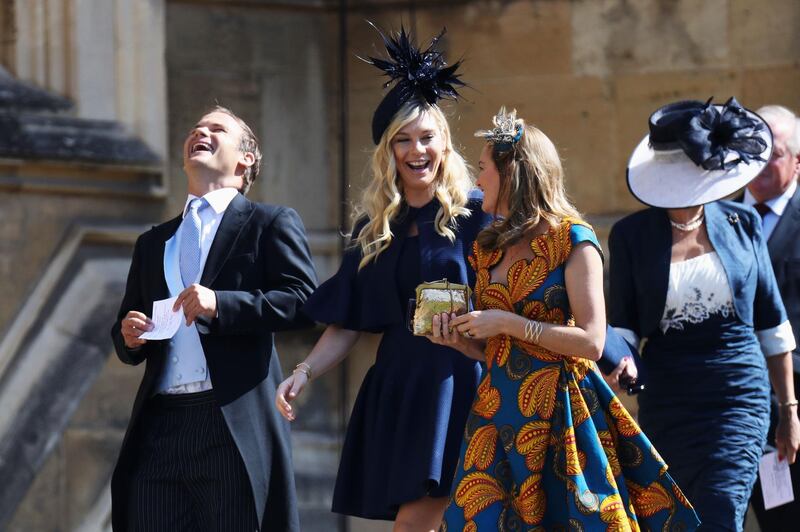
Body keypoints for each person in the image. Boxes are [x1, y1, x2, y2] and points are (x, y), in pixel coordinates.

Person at [432, 108, 699, 530]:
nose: (477, 182)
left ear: (514, 174)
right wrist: (461, 340)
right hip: (496, 414)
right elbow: (493, 349)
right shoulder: (487, 248)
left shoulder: (574, 240)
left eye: (483, 169)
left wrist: (506, 322)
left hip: (563, 415)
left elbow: (593, 342)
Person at [274, 26, 491, 531]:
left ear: (444, 141)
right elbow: (349, 320)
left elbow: (521, 292)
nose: (417, 150)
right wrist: (303, 372)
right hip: (400, 384)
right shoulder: (375, 227)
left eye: (426, 137)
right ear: (388, 151)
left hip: (461, 380)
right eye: (403, 140)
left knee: (418, 523)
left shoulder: (477, 215)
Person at [110, 106, 316, 532]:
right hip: (162, 421)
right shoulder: (153, 242)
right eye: (195, 128)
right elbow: (125, 329)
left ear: (246, 159)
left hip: (228, 419)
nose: (200, 132)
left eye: (216, 128)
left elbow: (303, 301)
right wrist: (130, 336)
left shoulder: (269, 222)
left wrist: (220, 304)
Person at [609, 97, 800, 530]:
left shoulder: (741, 222)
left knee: (719, 511)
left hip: (738, 396)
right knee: (680, 520)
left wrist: (788, 409)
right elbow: (622, 327)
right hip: (668, 401)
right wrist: (617, 364)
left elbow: (771, 322)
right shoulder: (630, 236)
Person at [743, 105, 800, 529]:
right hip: (741, 405)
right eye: (752, 151)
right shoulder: (713, 219)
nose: (760, 163)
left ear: (797, 160)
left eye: (773, 154)